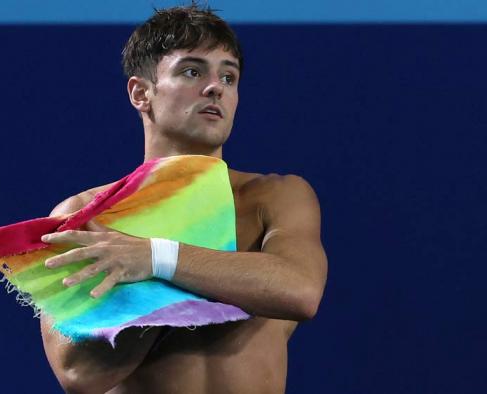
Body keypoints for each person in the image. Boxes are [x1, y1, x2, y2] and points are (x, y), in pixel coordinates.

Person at [38, 4, 327, 393]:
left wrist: (155, 259)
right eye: (192, 71)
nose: (216, 87)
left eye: (229, 76)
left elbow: (300, 291)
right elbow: (79, 375)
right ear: (142, 92)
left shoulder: (274, 196)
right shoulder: (84, 218)